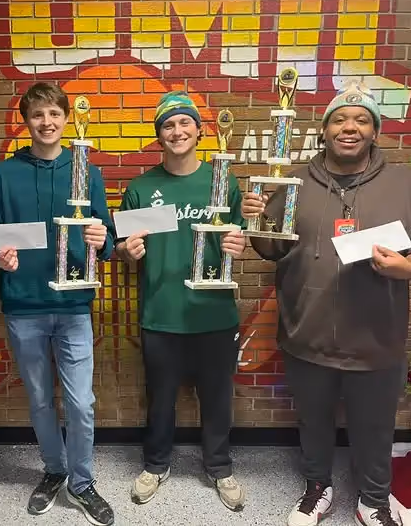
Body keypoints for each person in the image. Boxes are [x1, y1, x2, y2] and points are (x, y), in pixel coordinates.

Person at [241, 81, 411, 526]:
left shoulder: (401, 183)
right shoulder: (296, 182)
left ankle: (373, 500)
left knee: (375, 425)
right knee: (313, 421)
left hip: (376, 337)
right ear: (324, 130)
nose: (349, 127)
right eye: (339, 119)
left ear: (375, 131)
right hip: (307, 332)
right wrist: (255, 219)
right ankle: (317, 488)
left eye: (361, 120)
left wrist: (407, 268)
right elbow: (272, 248)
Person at [0, 82, 115, 526]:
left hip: (74, 304)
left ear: (65, 119)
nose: (47, 122)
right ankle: (55, 470)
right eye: (38, 115)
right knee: (40, 401)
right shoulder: (4, 175)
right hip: (24, 305)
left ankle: (82, 482)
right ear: (26, 121)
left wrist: (102, 238)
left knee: (81, 404)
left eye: (54, 114)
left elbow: (107, 238)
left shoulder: (86, 171)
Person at [115, 91, 248, 511]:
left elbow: (240, 234)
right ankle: (156, 464)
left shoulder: (222, 180)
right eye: (168, 125)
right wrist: (126, 250)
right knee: (160, 398)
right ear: (160, 136)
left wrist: (240, 243)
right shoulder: (141, 188)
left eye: (185, 122)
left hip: (215, 313)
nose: (177, 131)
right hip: (162, 313)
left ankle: (219, 466)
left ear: (199, 130)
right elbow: (123, 244)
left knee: (217, 398)